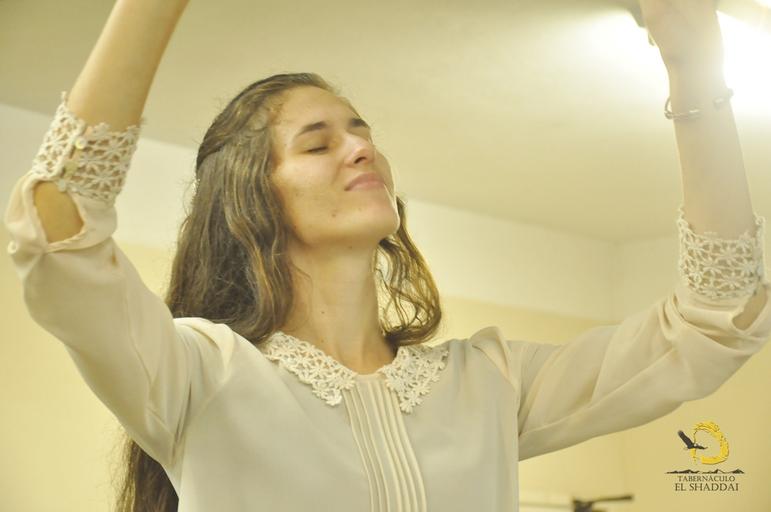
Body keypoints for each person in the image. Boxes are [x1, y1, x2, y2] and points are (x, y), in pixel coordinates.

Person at [4, 1, 770, 511]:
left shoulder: (489, 384)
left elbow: (716, 320)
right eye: (317, 143)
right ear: (249, 197)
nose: (360, 147)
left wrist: (692, 65)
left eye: (361, 131)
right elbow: (57, 239)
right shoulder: (196, 376)